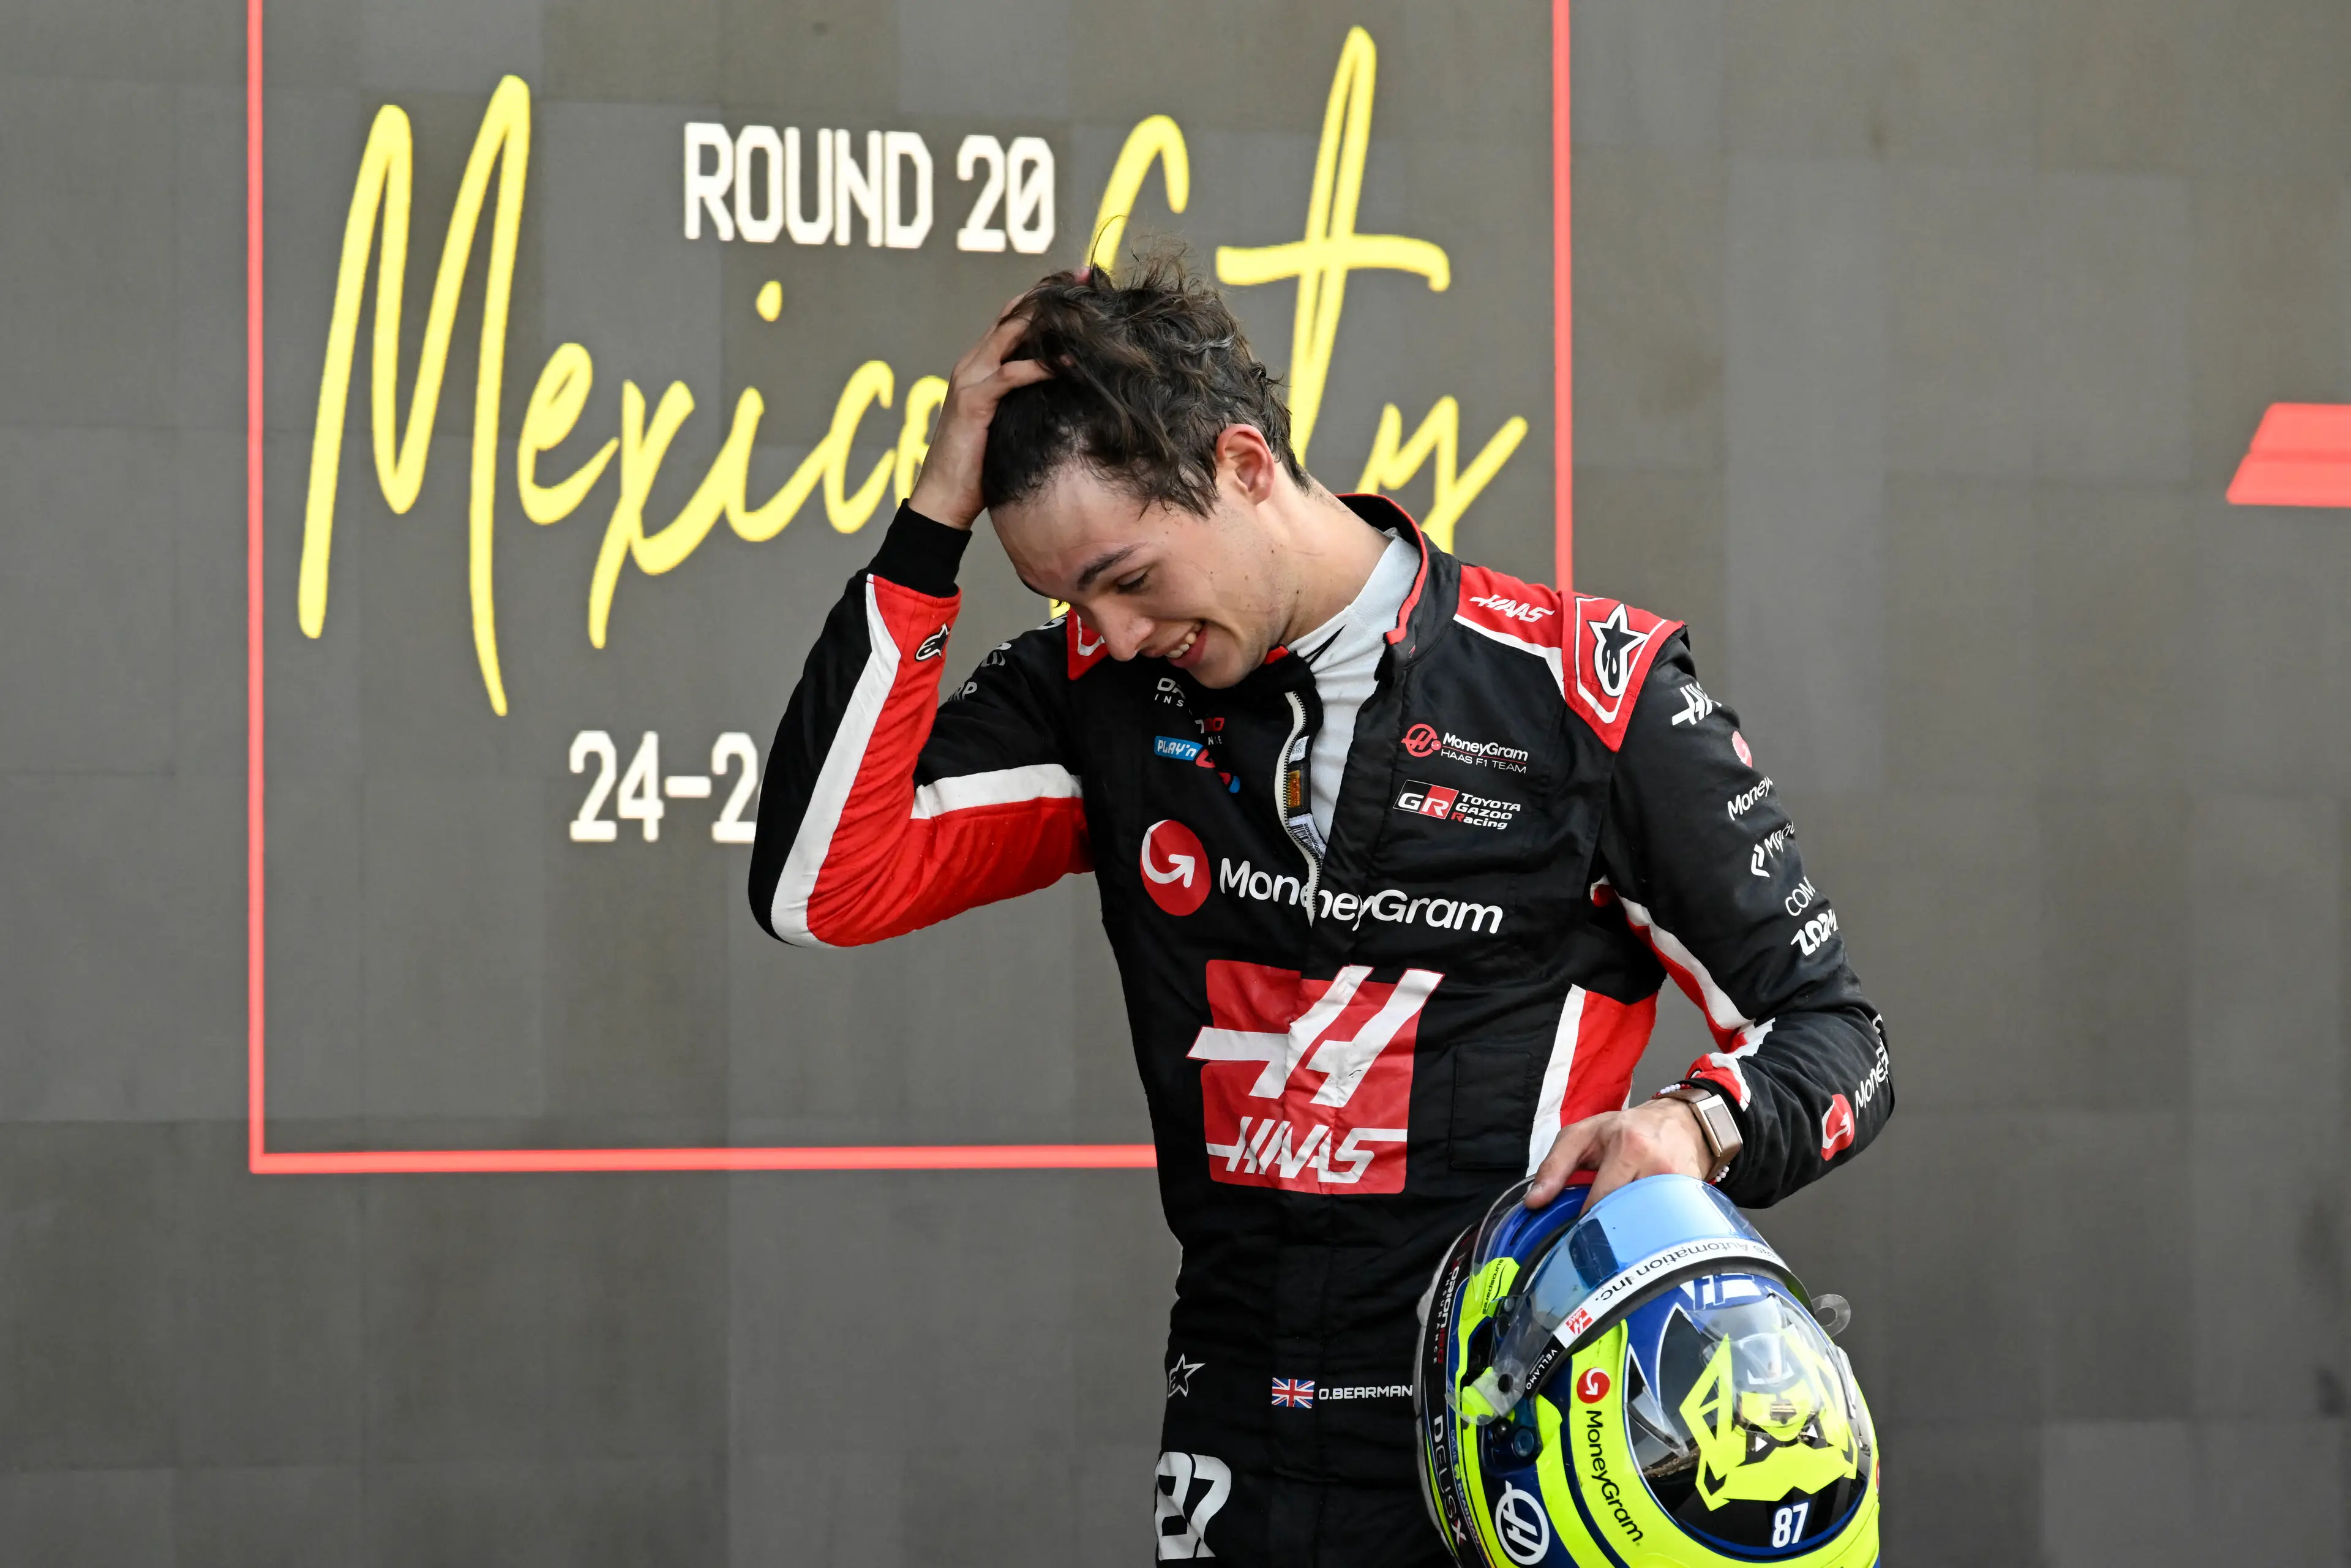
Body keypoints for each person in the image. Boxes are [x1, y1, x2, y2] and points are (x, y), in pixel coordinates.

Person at [747, 257, 1892, 1567]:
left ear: (1242, 463)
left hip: (1517, 1432)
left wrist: (1695, 1122)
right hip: (1235, 1424)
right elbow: (819, 880)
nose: (1112, 631)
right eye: (1071, 601)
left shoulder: (1589, 695)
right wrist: (929, 525)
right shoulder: (1097, 694)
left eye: (1129, 576)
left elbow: (1835, 1032)